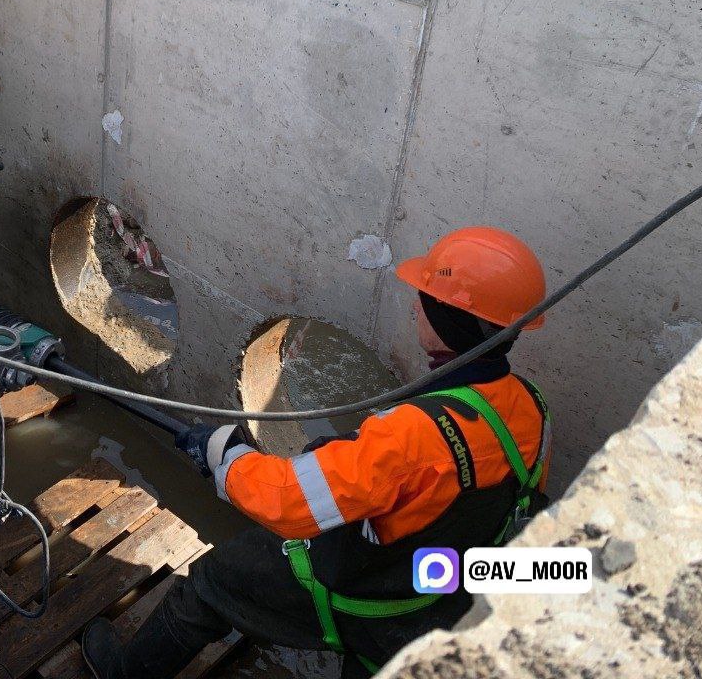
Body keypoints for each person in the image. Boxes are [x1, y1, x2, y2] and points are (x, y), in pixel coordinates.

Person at [81, 226, 552, 679]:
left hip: (376, 599)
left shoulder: (414, 433)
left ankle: (123, 670)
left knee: (217, 579)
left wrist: (226, 458)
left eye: (424, 299)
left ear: (448, 317)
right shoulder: (531, 407)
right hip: (443, 593)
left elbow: (290, 501)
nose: (415, 308)